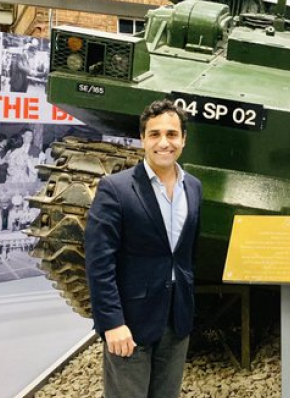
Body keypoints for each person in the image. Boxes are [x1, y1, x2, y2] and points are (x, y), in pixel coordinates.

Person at [85, 99, 202, 398]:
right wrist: (112, 323)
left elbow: (186, 255)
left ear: (184, 139)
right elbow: (100, 263)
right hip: (130, 322)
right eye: (155, 134)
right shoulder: (117, 188)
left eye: (172, 134)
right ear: (143, 139)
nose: (164, 143)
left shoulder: (194, 188)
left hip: (175, 320)